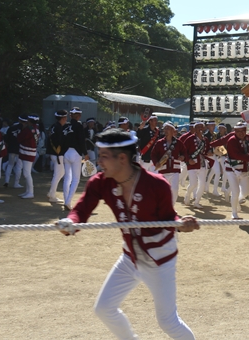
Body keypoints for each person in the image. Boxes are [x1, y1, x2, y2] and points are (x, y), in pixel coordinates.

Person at [57, 128, 198, 339]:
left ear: (122, 158)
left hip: (159, 260)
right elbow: (81, 210)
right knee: (104, 308)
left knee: (168, 322)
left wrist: (180, 224)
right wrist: (71, 222)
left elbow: (169, 217)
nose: (99, 161)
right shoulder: (100, 182)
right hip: (130, 257)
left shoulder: (157, 184)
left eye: (104, 156)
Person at [224, 122, 249, 219]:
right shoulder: (232, 140)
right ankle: (234, 213)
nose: (241, 133)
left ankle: (236, 200)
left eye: (243, 131)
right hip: (231, 169)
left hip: (244, 169)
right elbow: (236, 155)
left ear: (245, 130)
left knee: (245, 192)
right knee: (235, 191)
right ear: (235, 131)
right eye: (238, 131)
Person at [151, 122, 186, 207]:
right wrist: (156, 162)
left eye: (168, 128)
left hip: (175, 170)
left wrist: (182, 157)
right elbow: (153, 154)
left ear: (173, 131)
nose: (166, 130)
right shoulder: (159, 142)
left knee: (174, 189)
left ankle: (171, 208)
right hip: (163, 170)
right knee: (163, 190)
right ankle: (162, 207)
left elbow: (184, 152)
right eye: (165, 128)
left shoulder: (178, 143)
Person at [62, 106, 88, 209]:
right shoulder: (79, 126)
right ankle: (68, 201)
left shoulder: (66, 126)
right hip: (75, 152)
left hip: (66, 152)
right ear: (79, 116)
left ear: (70, 116)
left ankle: (66, 200)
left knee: (67, 177)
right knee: (76, 179)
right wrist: (85, 153)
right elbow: (81, 141)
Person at [183, 122, 209, 208]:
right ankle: (188, 194)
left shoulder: (205, 140)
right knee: (193, 184)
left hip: (202, 165)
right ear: (194, 129)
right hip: (192, 165)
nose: (200, 128)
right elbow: (183, 151)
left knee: (202, 185)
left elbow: (207, 150)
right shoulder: (190, 139)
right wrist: (188, 160)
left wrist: (210, 152)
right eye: (198, 127)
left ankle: (197, 202)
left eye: (201, 127)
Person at [47, 109, 68, 203]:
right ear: (63, 118)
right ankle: (52, 195)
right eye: (65, 117)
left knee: (60, 173)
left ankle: (51, 192)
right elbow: (60, 142)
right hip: (58, 153)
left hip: (53, 153)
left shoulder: (53, 126)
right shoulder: (58, 128)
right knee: (58, 174)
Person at [17, 115, 38, 200]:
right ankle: (28, 191)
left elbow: (19, 138)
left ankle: (30, 192)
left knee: (26, 173)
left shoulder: (28, 129)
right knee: (27, 172)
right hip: (31, 152)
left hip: (27, 152)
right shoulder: (36, 128)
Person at [4, 117, 23, 188]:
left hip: (11, 149)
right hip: (20, 149)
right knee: (19, 166)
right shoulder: (24, 129)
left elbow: (6, 139)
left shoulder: (11, 128)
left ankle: (6, 181)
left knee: (10, 164)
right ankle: (16, 183)